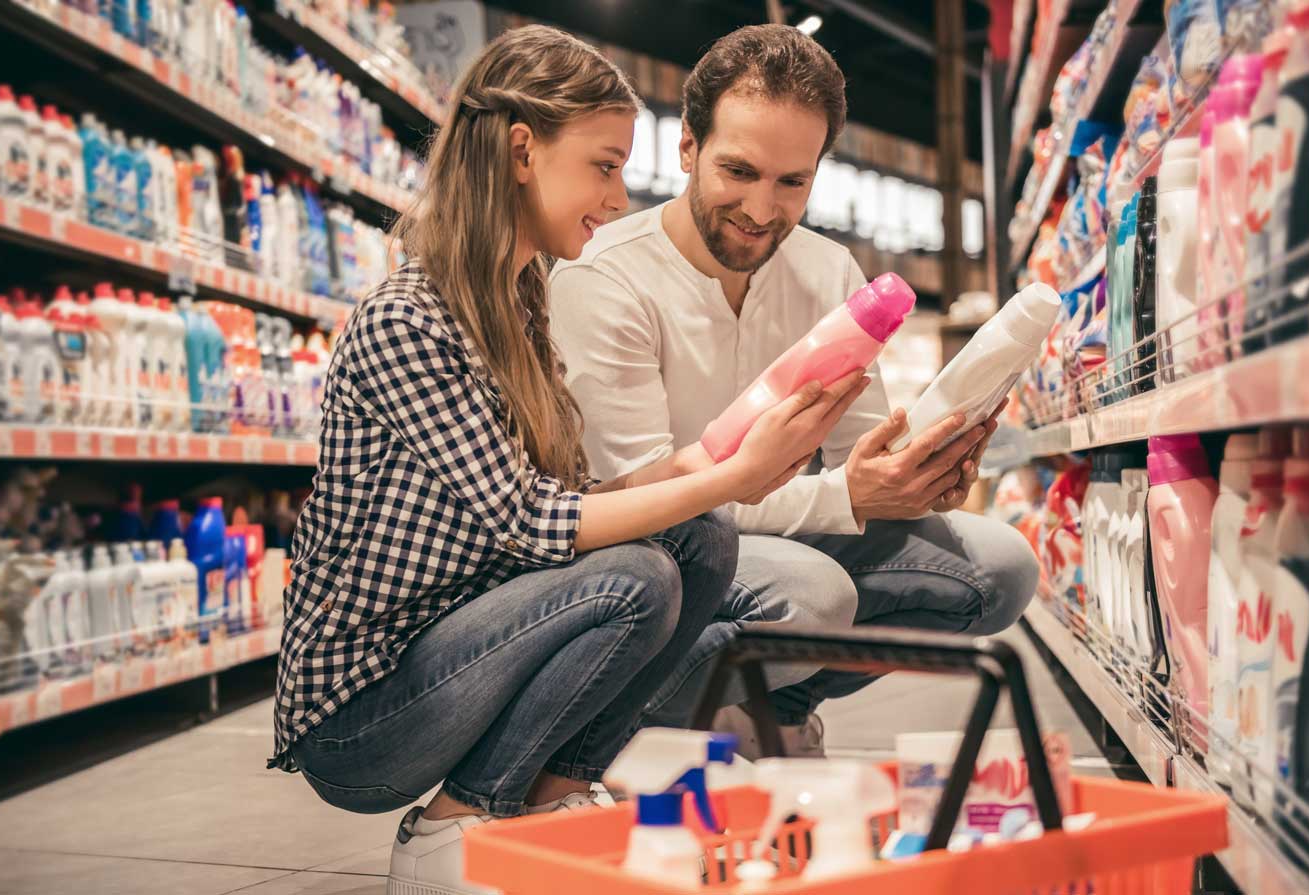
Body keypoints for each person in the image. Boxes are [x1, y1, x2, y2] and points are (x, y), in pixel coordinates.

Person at [268, 25, 865, 895]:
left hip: (459, 648)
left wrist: (733, 450)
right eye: (603, 166)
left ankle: (553, 793)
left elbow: (574, 497)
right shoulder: (410, 319)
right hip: (366, 713)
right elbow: (531, 521)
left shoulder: (519, 307)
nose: (618, 197)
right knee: (636, 577)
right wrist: (731, 478)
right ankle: (449, 828)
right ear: (522, 152)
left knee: (699, 540)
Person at [550, 24, 1040, 754]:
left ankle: (771, 705)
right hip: (655, 558)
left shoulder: (828, 270)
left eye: (792, 182)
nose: (760, 208)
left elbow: (860, 458)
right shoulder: (605, 276)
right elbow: (639, 501)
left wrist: (921, 471)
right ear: (687, 147)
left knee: (1002, 569)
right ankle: (628, 716)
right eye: (738, 171)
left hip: (785, 538)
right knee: (812, 593)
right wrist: (846, 497)